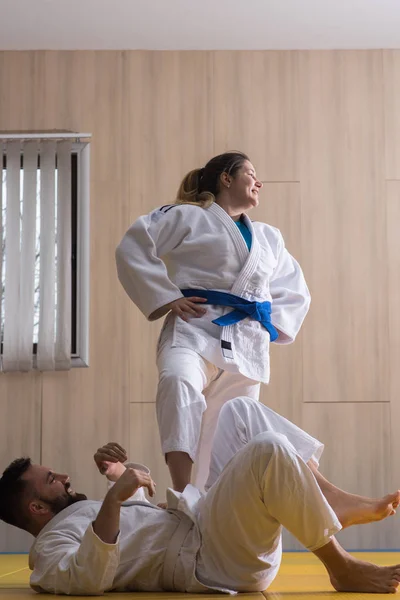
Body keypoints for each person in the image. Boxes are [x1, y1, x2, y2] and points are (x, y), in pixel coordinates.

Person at [0, 399, 400, 596]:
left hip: (202, 523)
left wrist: (118, 478)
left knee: (240, 411)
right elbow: (87, 577)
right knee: (268, 450)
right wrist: (113, 499)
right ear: (36, 508)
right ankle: (340, 565)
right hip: (213, 561)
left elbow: (128, 531)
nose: (65, 476)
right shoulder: (49, 550)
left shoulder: (77, 517)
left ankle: (331, 500)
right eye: (52, 479)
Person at [115, 151, 311, 491]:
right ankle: (181, 489)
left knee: (230, 435)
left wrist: (273, 325)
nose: (258, 181)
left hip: (247, 344)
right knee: (178, 383)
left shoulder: (269, 238)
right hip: (195, 329)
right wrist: (167, 295)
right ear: (226, 178)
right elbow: (133, 246)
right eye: (250, 173)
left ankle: (212, 509)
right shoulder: (187, 216)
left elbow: (295, 288)